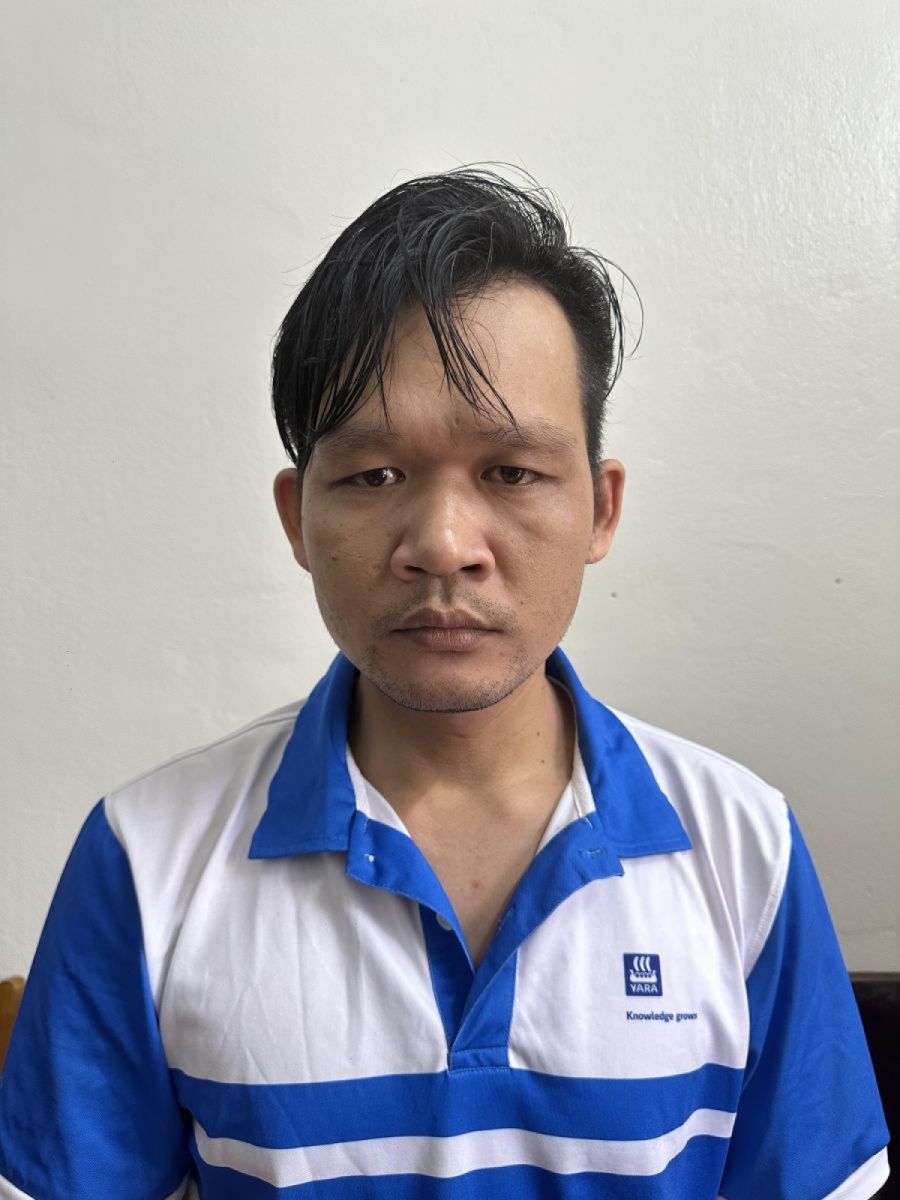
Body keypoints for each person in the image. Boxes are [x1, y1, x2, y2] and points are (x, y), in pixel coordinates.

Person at [0, 167, 890, 1200]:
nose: (443, 543)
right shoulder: (148, 855)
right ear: (297, 518)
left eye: (512, 472)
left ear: (600, 510)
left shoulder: (742, 845)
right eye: (374, 475)